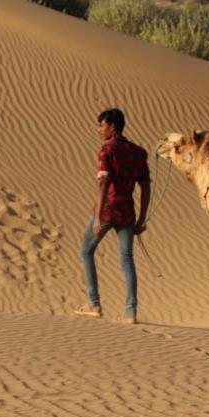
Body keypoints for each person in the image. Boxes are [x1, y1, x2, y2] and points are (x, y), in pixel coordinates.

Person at [74, 107, 151, 323]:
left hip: (107, 209)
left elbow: (104, 184)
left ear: (112, 126)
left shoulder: (106, 150)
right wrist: (141, 219)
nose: (99, 129)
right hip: (127, 211)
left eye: (102, 125)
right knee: (127, 259)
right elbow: (145, 187)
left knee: (86, 250)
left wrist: (98, 218)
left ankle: (94, 303)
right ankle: (130, 311)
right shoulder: (139, 152)